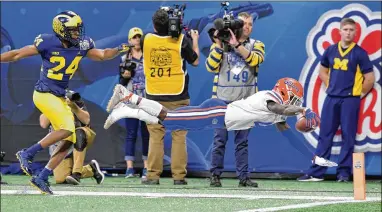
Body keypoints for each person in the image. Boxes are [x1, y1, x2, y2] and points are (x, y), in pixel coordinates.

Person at [0, 10, 130, 194]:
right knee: (68, 129)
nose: (78, 33)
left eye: (78, 29)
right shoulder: (47, 42)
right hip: (44, 93)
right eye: (73, 30)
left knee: (71, 138)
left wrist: (120, 48)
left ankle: (42, 176)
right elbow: (17, 55)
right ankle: (27, 153)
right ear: (61, 30)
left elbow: (102, 55)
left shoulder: (82, 44)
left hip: (59, 94)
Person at [104, 78, 338, 170]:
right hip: (218, 111)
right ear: (285, 92)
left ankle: (127, 110)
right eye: (294, 98)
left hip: (220, 117)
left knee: (171, 124)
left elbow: (289, 136)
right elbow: (281, 108)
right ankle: (128, 96)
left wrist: (313, 156)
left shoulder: (280, 112)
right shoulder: (273, 98)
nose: (296, 103)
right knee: (170, 117)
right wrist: (303, 109)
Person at [115, 9, 199, 185]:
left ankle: (153, 175)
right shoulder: (181, 40)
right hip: (178, 94)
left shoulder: (146, 39)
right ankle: (179, 177)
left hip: (154, 95)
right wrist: (194, 40)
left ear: (153, 25)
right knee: (179, 136)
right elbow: (196, 61)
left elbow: (155, 35)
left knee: (155, 136)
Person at [297, 18, 375, 182]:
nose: (348, 32)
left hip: (350, 101)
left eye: (351, 30)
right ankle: (317, 172)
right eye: (345, 29)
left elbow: (369, 78)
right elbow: (322, 70)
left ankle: (343, 173)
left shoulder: (360, 53)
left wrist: (358, 95)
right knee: (325, 135)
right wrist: (330, 85)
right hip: (331, 99)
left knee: (348, 137)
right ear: (339, 31)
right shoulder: (331, 50)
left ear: (355, 32)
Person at [206, 12, 265, 187]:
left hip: (245, 103)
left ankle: (243, 178)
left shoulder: (257, 44)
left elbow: (256, 60)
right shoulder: (220, 45)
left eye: (250, 24)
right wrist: (218, 45)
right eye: (244, 23)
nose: (247, 27)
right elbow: (210, 67)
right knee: (219, 141)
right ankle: (215, 175)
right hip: (222, 101)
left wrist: (237, 45)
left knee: (242, 142)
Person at [40, 93, 104, 185]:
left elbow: (86, 120)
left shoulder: (72, 96)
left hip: (80, 135)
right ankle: (91, 169)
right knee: (61, 179)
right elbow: (43, 124)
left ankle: (76, 174)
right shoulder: (50, 100)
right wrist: (54, 105)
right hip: (61, 143)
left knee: (79, 133)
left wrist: (74, 107)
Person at [118, 27, 149, 178]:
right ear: (129, 41)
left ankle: (147, 167)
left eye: (139, 37)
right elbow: (121, 83)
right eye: (134, 37)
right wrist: (125, 75)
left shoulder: (149, 57)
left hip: (146, 99)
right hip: (131, 100)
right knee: (131, 133)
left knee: (146, 133)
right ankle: (129, 168)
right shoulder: (124, 59)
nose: (137, 39)